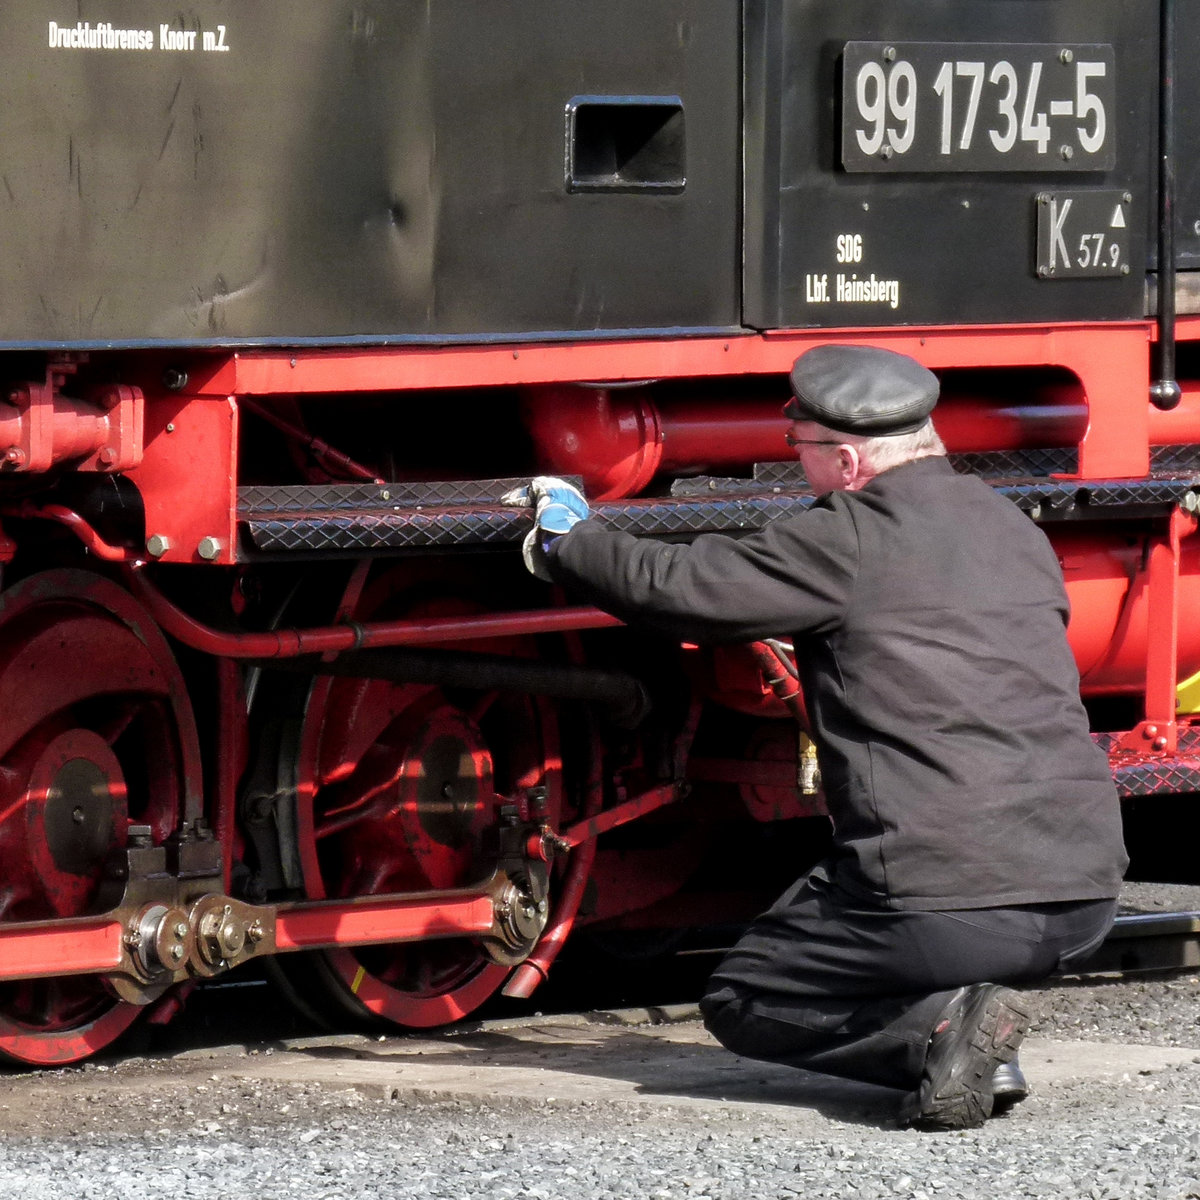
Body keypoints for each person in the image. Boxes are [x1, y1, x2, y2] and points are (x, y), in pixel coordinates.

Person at [505, 344, 1127, 1130]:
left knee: (744, 998)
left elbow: (682, 587)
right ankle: (966, 1025)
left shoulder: (849, 537)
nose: (798, 470)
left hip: (947, 900)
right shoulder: (1012, 529)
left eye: (800, 454)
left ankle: (940, 1036)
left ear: (847, 458)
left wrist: (571, 540)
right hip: (1086, 896)